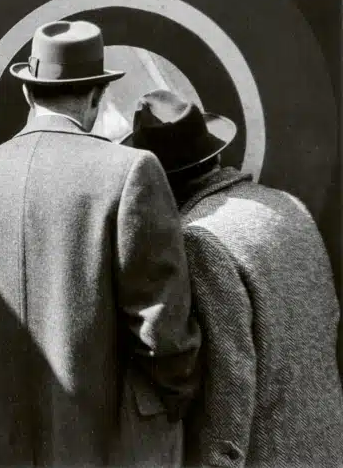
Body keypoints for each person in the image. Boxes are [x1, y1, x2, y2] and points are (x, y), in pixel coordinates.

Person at [0, 21, 201, 466]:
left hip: (6, 444)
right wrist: (173, 403)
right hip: (108, 446)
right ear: (97, 97)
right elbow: (162, 331)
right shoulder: (130, 171)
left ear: (27, 93)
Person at [123, 89, 343, 466]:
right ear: (214, 152)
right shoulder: (286, 205)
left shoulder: (198, 239)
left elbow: (230, 383)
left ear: (158, 184)